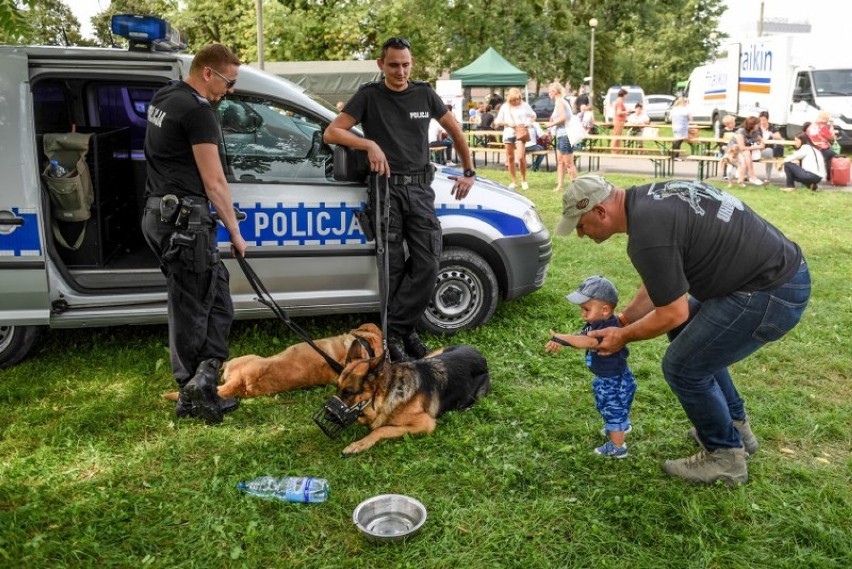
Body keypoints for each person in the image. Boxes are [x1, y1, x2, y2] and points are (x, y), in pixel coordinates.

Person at [554, 175, 810, 485]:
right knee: (688, 334)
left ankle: (726, 456)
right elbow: (661, 280)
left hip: (771, 292)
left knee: (682, 365)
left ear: (600, 212)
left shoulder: (647, 234)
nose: (580, 234)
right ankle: (734, 426)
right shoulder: (649, 201)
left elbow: (672, 312)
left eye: (580, 225)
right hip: (772, 278)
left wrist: (622, 336)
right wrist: (622, 321)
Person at [323, 37, 475, 362]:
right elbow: (332, 132)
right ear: (382, 65)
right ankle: (400, 337)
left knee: (428, 263)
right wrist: (369, 145)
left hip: (420, 190)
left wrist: (469, 171)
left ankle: (395, 331)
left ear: (412, 62)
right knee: (391, 268)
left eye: (405, 64)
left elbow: (456, 130)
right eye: (393, 65)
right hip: (386, 190)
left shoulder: (424, 93)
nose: (400, 71)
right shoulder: (369, 95)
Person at [142, 43, 248, 424]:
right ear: (208, 73)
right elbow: (214, 179)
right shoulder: (198, 111)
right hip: (185, 224)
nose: (229, 91)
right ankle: (191, 394)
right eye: (228, 82)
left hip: (163, 214)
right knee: (190, 308)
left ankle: (204, 381)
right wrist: (235, 231)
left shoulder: (167, 94)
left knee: (217, 300)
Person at [545, 276, 636, 458]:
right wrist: (564, 341)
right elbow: (582, 335)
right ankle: (622, 427)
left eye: (586, 309)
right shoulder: (596, 322)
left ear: (604, 310)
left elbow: (588, 341)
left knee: (612, 408)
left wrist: (563, 337)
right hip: (612, 376)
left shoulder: (608, 328)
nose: (583, 313)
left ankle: (618, 446)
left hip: (612, 380)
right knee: (615, 405)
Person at [494, 87, 536, 190]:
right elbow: (497, 121)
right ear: (509, 99)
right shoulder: (505, 106)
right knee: (510, 158)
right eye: (513, 100)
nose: (516, 102)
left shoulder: (525, 105)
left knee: (521, 157)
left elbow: (533, 115)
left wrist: (529, 122)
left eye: (517, 99)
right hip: (508, 133)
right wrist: (508, 123)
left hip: (520, 133)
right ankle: (514, 181)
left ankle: (524, 180)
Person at [545, 81, 577, 192]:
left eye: (550, 91)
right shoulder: (560, 102)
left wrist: (550, 124)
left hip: (565, 135)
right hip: (560, 135)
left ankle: (576, 187)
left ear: (555, 92)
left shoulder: (559, 102)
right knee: (560, 161)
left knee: (568, 163)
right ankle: (560, 185)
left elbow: (563, 118)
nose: (549, 94)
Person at [782, 128, 825, 192]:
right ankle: (811, 185)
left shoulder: (805, 147)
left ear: (802, 140)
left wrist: (781, 162)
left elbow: (792, 157)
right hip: (818, 177)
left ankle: (790, 186)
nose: (795, 142)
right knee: (793, 172)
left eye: (796, 140)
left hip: (810, 175)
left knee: (787, 164)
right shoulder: (814, 149)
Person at [733, 116, 765, 186]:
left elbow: (762, 141)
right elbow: (741, 147)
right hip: (734, 151)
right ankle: (752, 176)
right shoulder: (741, 132)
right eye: (757, 124)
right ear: (752, 125)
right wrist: (758, 146)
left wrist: (761, 143)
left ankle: (741, 180)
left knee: (746, 155)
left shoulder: (755, 132)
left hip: (744, 152)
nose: (759, 125)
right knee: (745, 157)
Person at [806, 111, 837, 181]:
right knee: (836, 156)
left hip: (812, 149)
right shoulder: (823, 127)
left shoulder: (811, 126)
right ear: (826, 119)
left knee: (829, 156)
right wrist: (831, 125)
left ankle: (828, 176)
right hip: (821, 149)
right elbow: (832, 137)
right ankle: (830, 176)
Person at [758, 111, 784, 182]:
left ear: (767, 119)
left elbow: (779, 137)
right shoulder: (757, 128)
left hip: (769, 149)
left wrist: (771, 134)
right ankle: (779, 166)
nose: (762, 122)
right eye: (761, 120)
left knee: (771, 151)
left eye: (764, 120)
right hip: (758, 149)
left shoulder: (771, 127)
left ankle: (768, 177)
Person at [611, 89, 629, 153]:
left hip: (619, 120)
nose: (627, 96)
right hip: (619, 121)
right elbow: (619, 112)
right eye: (626, 95)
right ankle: (614, 151)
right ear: (623, 95)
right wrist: (627, 111)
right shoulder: (620, 101)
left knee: (618, 136)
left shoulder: (618, 101)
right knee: (616, 136)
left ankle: (617, 151)